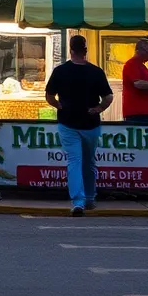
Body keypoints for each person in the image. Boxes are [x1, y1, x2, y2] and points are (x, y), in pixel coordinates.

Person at [45, 34, 114, 216]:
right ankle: (90, 197)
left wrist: (59, 105)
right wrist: (99, 108)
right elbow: (108, 97)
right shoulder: (96, 72)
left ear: (70, 50)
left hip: (67, 122)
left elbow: (49, 96)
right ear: (85, 50)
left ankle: (78, 201)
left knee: (74, 162)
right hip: (91, 123)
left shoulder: (60, 71)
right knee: (89, 161)